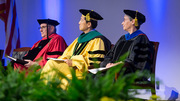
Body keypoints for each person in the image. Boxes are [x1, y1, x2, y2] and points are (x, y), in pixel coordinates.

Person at [40, 9, 111, 89]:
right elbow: (67, 54)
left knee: (52, 65)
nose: (79, 22)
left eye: (81, 20)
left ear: (89, 24)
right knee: (52, 64)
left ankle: (41, 92)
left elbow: (95, 62)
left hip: (82, 71)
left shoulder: (98, 40)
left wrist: (74, 62)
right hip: (72, 68)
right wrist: (64, 60)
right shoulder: (79, 39)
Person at [100, 9, 154, 77]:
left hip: (129, 74)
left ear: (133, 21)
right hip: (115, 71)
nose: (122, 23)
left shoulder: (141, 39)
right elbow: (110, 55)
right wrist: (108, 63)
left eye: (124, 20)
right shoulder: (123, 38)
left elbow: (134, 62)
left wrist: (117, 65)